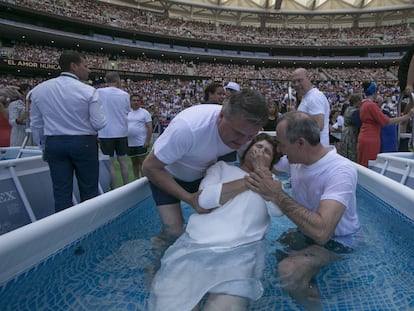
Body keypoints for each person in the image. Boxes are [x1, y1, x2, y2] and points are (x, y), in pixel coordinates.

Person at [149, 133, 283, 311]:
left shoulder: (273, 183)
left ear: (271, 163)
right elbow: (204, 200)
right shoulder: (221, 168)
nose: (260, 152)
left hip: (240, 256)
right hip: (195, 248)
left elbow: (278, 211)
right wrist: (249, 180)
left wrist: (263, 177)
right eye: (258, 147)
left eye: (267, 152)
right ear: (247, 151)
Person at [246, 111, 361, 311]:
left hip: (338, 241)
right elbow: (264, 164)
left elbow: (322, 232)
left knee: (288, 271)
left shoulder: (340, 170)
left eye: (281, 144)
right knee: (262, 251)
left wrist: (277, 195)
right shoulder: (297, 161)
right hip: (306, 233)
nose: (279, 150)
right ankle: (309, 282)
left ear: (301, 143)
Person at [142, 89, 268, 243]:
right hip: (167, 176)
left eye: (250, 136)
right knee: (173, 231)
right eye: (238, 133)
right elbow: (149, 167)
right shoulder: (188, 128)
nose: (243, 141)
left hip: (201, 175)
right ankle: (154, 264)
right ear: (221, 116)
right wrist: (189, 199)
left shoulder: (244, 131)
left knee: (217, 227)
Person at [30, 50, 107, 212]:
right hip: (83, 142)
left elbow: (36, 124)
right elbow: (99, 123)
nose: (89, 70)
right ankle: (90, 228)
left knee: (61, 192)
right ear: (74, 66)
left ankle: (65, 233)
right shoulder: (87, 90)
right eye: (85, 66)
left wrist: (43, 147)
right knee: (89, 190)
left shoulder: (39, 90)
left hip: (54, 143)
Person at [357, 81, 414, 167]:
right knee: (369, 164)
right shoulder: (371, 106)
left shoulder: (364, 104)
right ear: (375, 92)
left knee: (363, 162)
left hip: (365, 136)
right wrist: (407, 116)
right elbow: (386, 121)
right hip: (371, 138)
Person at [97, 72, 131, 189]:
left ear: (106, 81)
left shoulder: (99, 92)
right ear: (118, 81)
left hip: (106, 132)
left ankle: (113, 189)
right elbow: (127, 111)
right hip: (121, 131)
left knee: (110, 163)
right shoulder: (125, 95)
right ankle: (126, 186)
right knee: (123, 161)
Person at [291, 68, 330, 147]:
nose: (296, 84)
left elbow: (318, 126)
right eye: (294, 82)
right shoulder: (308, 97)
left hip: (315, 150)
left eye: (299, 80)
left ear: (309, 78)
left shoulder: (314, 97)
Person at [127, 94, 152, 179]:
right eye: (134, 100)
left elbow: (149, 127)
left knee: (142, 162)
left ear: (140, 102)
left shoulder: (144, 112)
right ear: (130, 102)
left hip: (141, 142)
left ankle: (144, 180)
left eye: (137, 100)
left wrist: (147, 141)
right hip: (130, 143)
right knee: (134, 163)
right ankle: (136, 179)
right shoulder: (127, 112)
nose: (136, 102)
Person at [339, 93, 363, 162]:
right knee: (351, 153)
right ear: (356, 102)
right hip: (351, 133)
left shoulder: (348, 109)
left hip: (346, 132)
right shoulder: (354, 111)